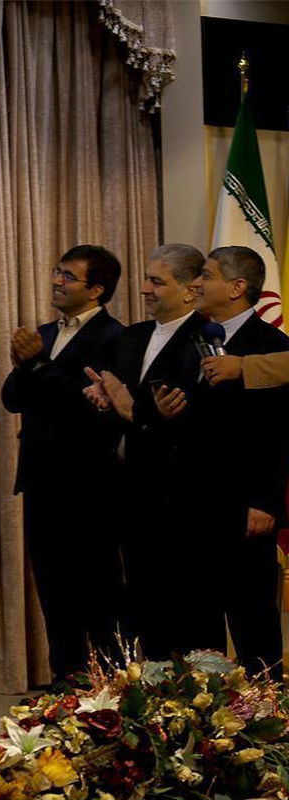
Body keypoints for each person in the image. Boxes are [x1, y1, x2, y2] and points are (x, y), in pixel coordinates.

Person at [1, 244, 124, 682]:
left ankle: (108, 690)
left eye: (68, 276)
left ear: (96, 290)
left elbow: (87, 405)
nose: (56, 281)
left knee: (95, 593)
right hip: (41, 481)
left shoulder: (115, 337)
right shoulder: (45, 333)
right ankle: (63, 687)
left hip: (88, 484)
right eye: (57, 272)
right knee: (53, 592)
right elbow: (13, 398)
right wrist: (31, 364)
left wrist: (36, 363)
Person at [83, 243, 207, 659]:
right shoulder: (132, 337)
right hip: (125, 486)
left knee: (177, 603)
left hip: (177, 493)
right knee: (131, 596)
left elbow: (196, 426)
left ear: (191, 291)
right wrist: (103, 400)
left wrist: (132, 411)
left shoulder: (204, 342)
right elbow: (120, 405)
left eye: (157, 281)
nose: (145, 290)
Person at [182, 245, 289, 679]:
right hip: (193, 500)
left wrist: (264, 501)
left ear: (238, 286)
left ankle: (267, 721)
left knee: (253, 622)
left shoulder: (271, 346)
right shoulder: (192, 340)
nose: (196, 284)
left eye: (206, 276)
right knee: (196, 618)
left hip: (245, 506)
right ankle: (204, 719)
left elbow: (276, 435)